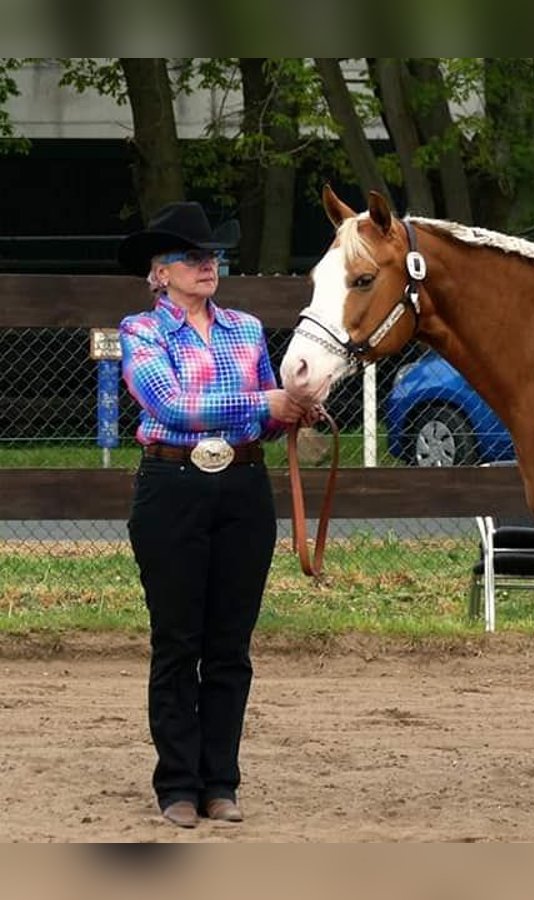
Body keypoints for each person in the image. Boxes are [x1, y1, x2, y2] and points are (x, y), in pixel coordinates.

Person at [117, 201, 313, 829]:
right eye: (191, 257)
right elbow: (170, 405)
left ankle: (220, 782)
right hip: (171, 485)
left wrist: (289, 411)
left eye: (212, 256)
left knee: (230, 643)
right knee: (177, 640)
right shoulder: (140, 333)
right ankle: (178, 783)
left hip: (243, 487)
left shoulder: (247, 330)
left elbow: (259, 419)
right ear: (160, 273)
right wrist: (262, 399)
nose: (207, 265)